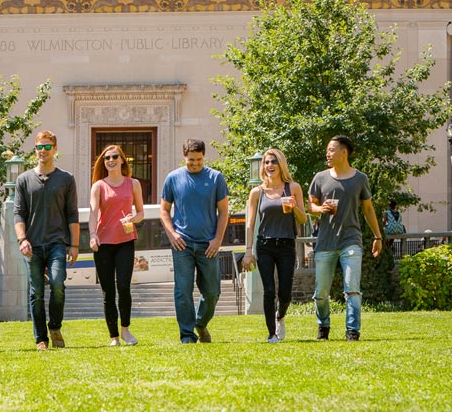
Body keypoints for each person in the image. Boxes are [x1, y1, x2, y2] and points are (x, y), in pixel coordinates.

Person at [308, 135, 383, 342]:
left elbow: (368, 208)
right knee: (321, 292)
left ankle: (352, 331)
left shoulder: (360, 179)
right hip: (325, 242)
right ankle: (323, 326)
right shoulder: (320, 178)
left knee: (352, 288)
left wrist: (378, 236)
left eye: (331, 150)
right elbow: (310, 206)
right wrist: (319, 209)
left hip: (351, 239)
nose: (327, 154)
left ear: (344, 152)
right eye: (327, 150)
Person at [159, 138, 230, 344]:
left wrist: (217, 239)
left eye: (199, 160)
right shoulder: (173, 178)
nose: (195, 164)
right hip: (183, 244)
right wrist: (172, 234)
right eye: (191, 160)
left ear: (204, 156)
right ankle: (187, 335)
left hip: (209, 244)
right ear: (184, 157)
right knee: (183, 291)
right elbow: (164, 210)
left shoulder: (216, 178)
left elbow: (224, 212)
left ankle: (200, 322)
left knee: (212, 292)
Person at [14, 130, 80, 351]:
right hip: (32, 245)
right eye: (39, 147)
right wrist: (22, 239)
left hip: (57, 244)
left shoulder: (66, 179)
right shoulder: (23, 180)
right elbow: (18, 213)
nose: (43, 151)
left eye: (47, 147)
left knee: (57, 284)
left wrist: (74, 245)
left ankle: (55, 326)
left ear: (55, 149)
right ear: (35, 150)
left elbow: (72, 215)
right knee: (36, 292)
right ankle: (40, 338)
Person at [241, 148, 306, 344]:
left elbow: (303, 219)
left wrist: (294, 207)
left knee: (285, 292)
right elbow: (250, 223)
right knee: (269, 290)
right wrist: (248, 251)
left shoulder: (293, 188)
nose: (270, 165)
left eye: (274, 162)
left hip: (286, 244)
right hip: (265, 245)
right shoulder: (257, 192)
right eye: (267, 162)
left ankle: (281, 316)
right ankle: (271, 334)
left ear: (281, 165)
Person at [89, 144, 145, 346]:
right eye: (106, 158)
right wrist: (93, 235)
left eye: (114, 157)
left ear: (122, 160)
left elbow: (141, 213)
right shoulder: (98, 186)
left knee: (123, 286)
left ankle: (125, 331)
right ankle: (113, 337)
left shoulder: (133, 184)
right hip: (103, 243)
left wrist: (134, 218)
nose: (110, 160)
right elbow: (93, 213)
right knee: (108, 291)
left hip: (126, 241)